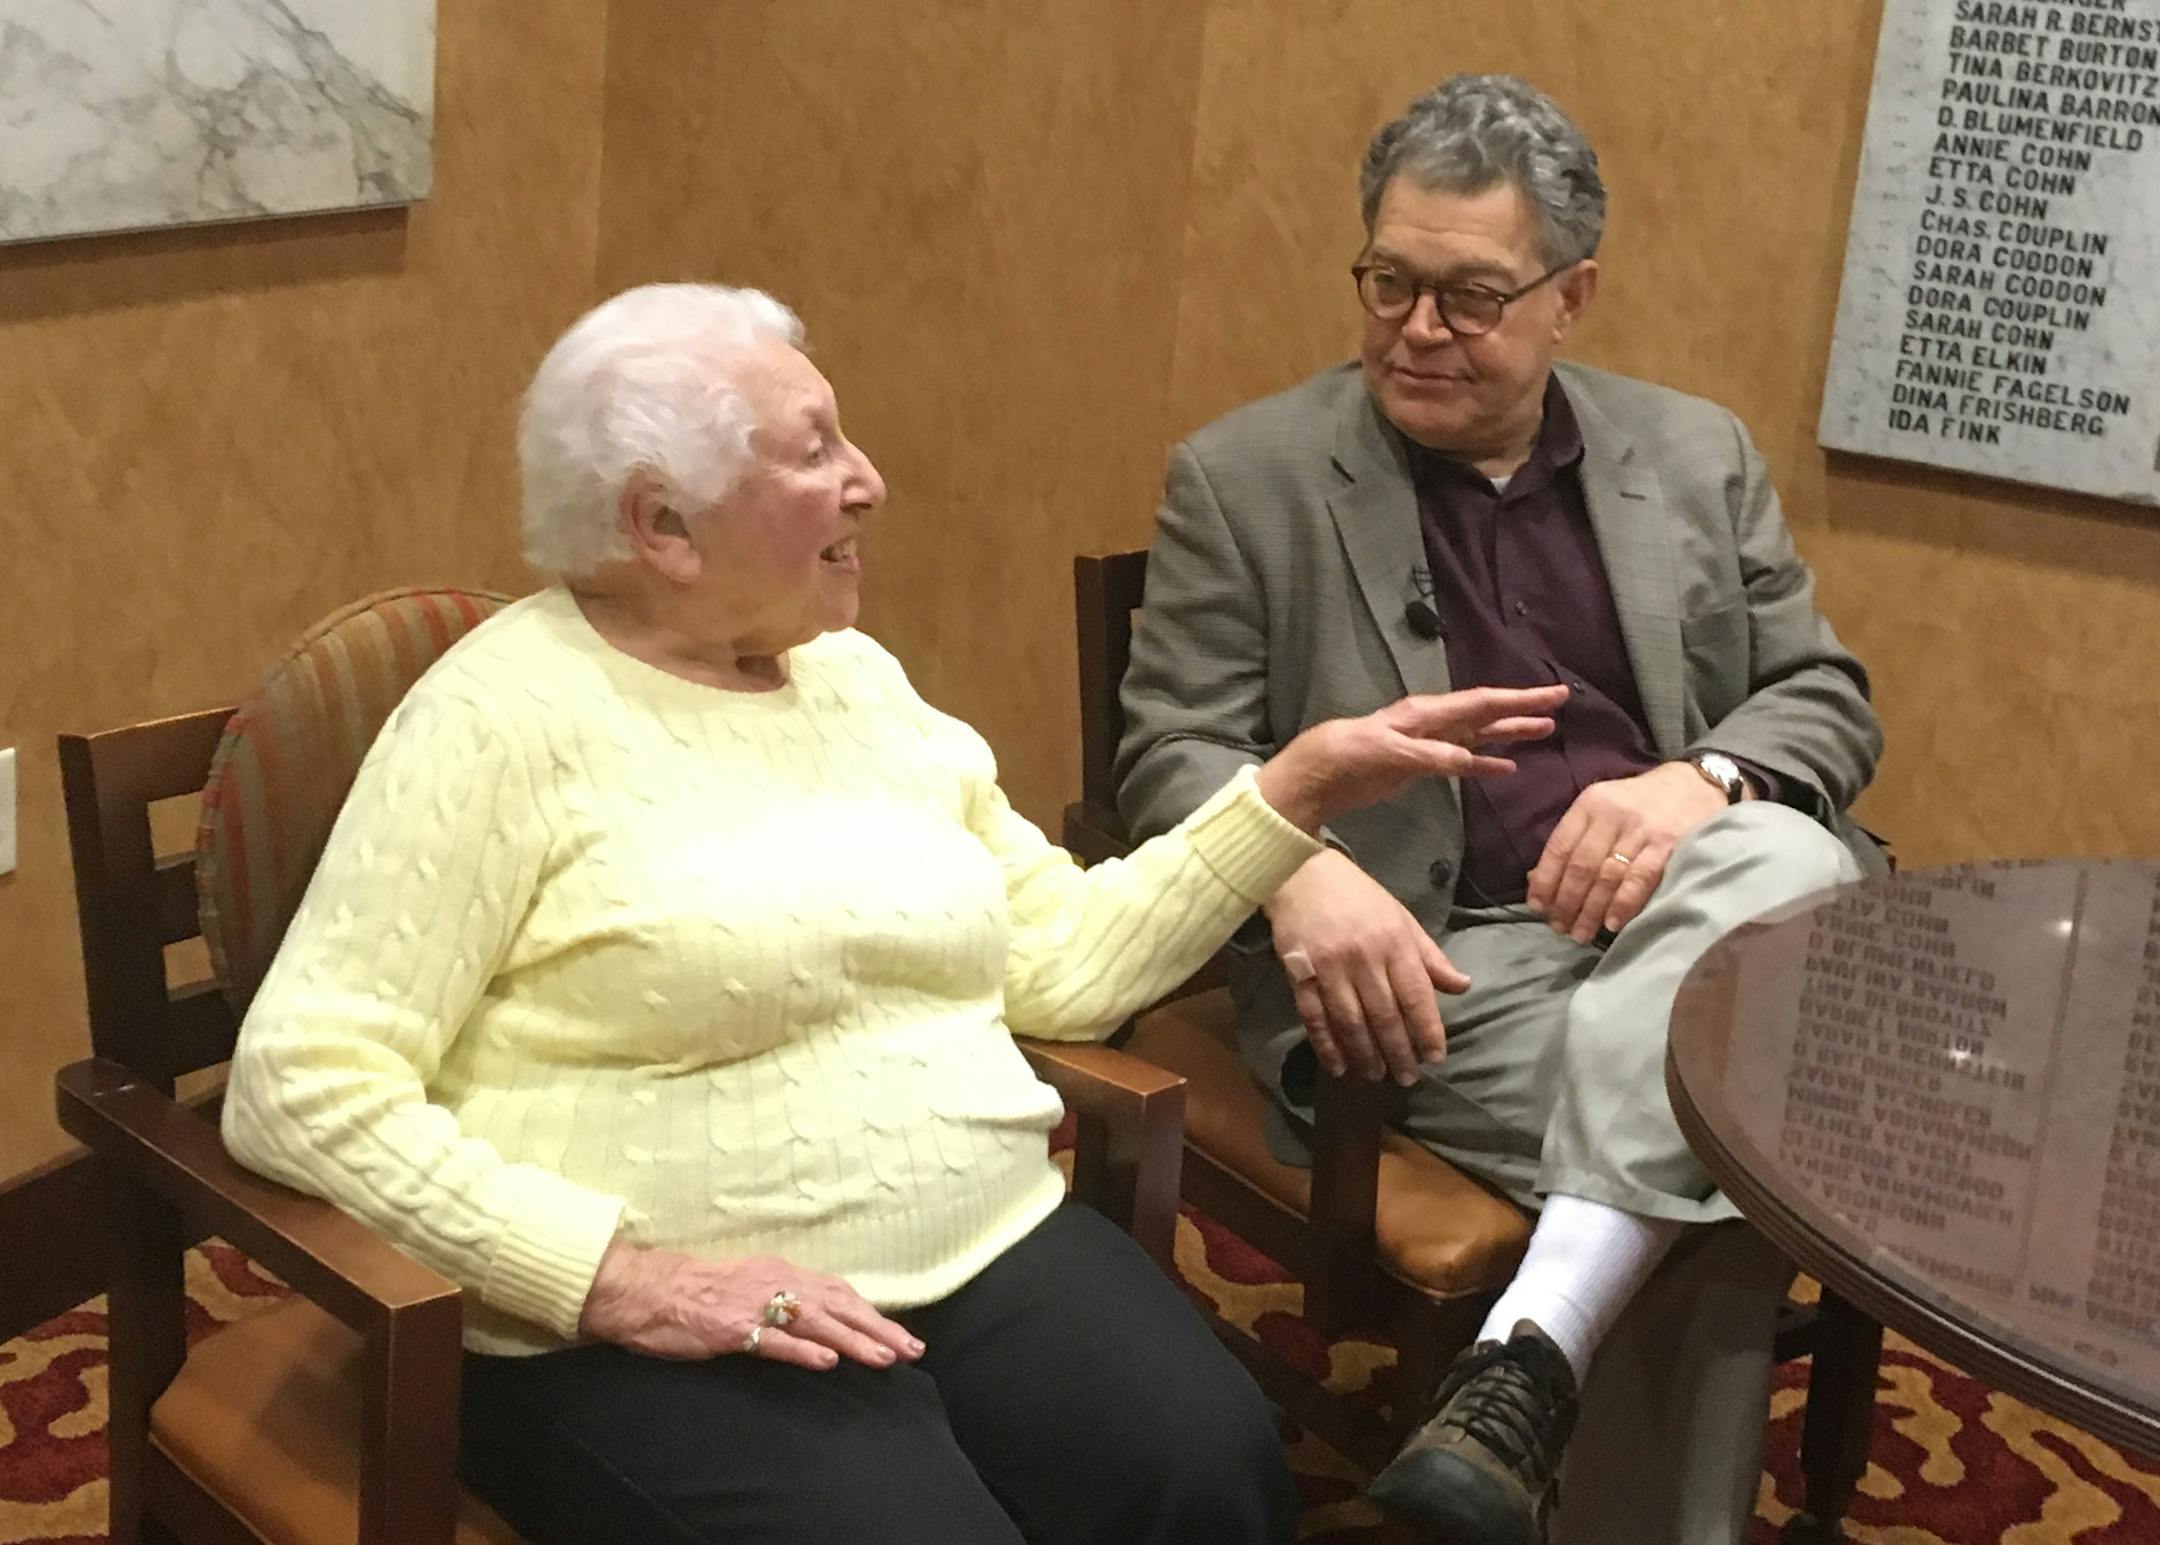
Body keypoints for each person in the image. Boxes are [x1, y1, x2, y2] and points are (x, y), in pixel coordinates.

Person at [218, 282, 1567, 1545]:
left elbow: (1059, 963)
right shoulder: (496, 720)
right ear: (661, 527)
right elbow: (302, 1082)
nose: (870, 478)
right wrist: (628, 1278)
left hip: (971, 1242)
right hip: (637, 1322)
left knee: (1210, 1470)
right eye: (814, 453)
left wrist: (1290, 793)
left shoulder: (854, 681)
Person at [1116, 75, 1886, 1545]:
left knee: (1771, 838)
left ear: (1570, 296)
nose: (1418, 328)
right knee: (1735, 1153)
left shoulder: (1696, 454)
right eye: (1391, 281)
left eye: (1470, 296)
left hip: (1694, 928)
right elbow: (1167, 745)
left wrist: (1694, 784)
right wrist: (1295, 873)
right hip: (1440, 962)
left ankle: (1516, 1370)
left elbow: (1827, 698)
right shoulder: (1246, 478)